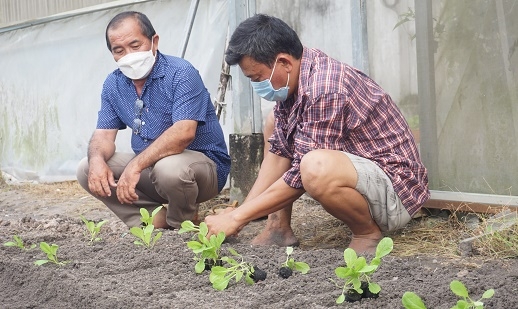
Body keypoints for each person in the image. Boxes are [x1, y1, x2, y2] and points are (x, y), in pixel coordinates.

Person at [204, 14, 430, 254]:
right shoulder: (296, 79)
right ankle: (278, 228)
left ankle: (367, 233)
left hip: (397, 193)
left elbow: (300, 176)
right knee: (274, 123)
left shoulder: (325, 87)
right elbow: (279, 154)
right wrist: (239, 214)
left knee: (314, 166)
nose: (257, 86)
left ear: (284, 62)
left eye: (257, 78)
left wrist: (237, 217)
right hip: (366, 175)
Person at [76, 11, 230, 229]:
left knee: (169, 168)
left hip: (202, 170)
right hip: (150, 168)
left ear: (154, 41)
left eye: (135, 45)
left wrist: (135, 166)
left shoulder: (180, 73)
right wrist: (97, 161)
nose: (129, 55)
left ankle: (183, 224)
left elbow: (184, 132)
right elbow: (103, 135)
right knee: (87, 168)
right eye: (119, 50)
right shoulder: (114, 84)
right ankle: (153, 220)